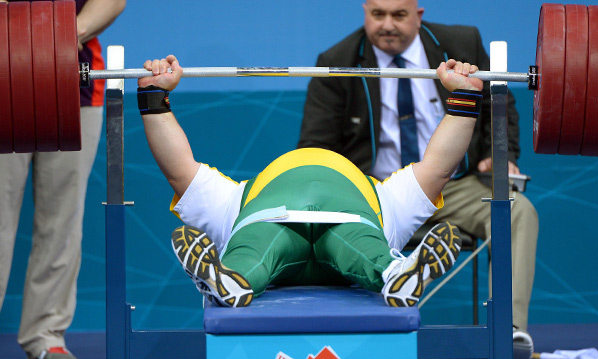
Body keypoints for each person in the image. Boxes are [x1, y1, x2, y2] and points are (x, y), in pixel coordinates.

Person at [136, 55, 484, 309]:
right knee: (363, 247)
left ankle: (231, 279)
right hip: (355, 220)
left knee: (254, 250)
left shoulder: (235, 197)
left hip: (265, 218)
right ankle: (397, 274)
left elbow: (179, 172)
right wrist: (464, 97)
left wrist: (154, 98)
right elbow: (438, 169)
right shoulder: (384, 196)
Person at [297, 0, 537, 359]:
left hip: (454, 186)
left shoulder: (462, 44)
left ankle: (507, 333)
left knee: (518, 211)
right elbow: (315, 147)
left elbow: (497, 105)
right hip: (377, 194)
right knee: (323, 222)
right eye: (378, 15)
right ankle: (340, 347)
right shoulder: (337, 61)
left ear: (418, 15)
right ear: (365, 13)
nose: (387, 25)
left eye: (398, 15)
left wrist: (498, 153)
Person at [0, 0, 126, 359]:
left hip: (74, 80)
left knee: (62, 217)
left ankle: (47, 334)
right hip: (3, 71)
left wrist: (55, 39)